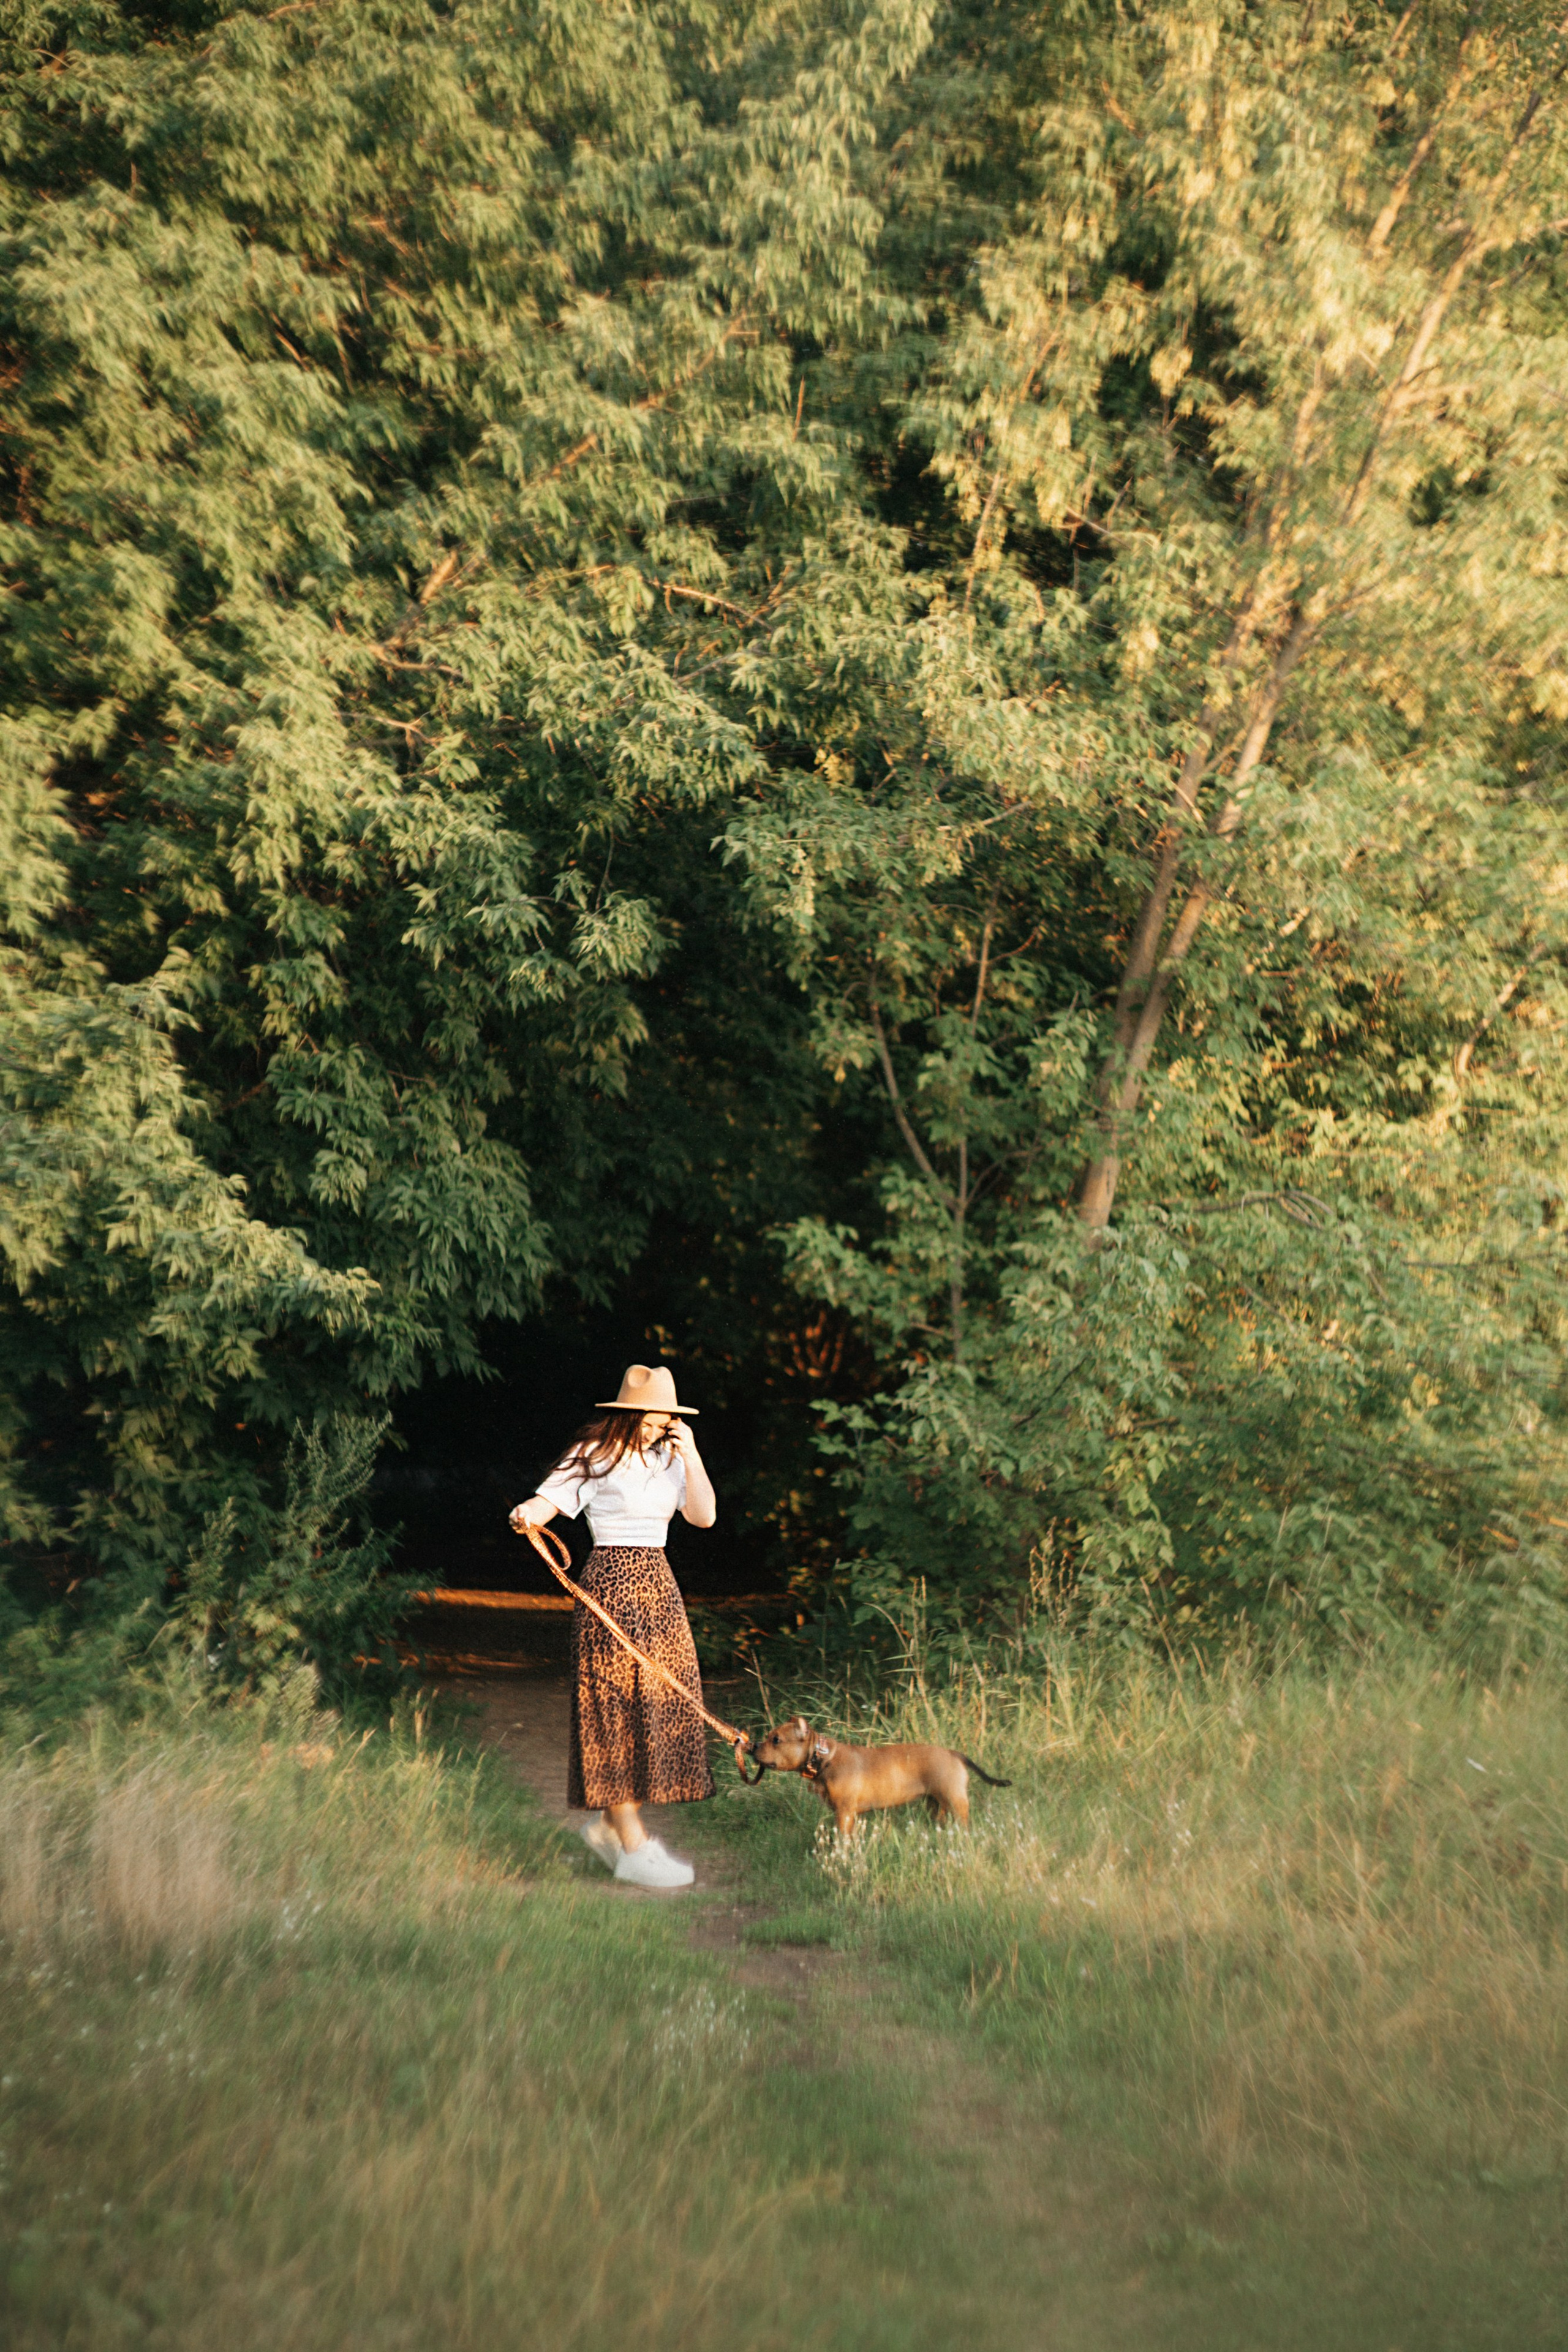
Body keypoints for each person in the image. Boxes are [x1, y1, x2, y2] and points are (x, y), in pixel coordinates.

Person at [508, 1363, 717, 1891]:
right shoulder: (594, 1456)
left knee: (664, 1702)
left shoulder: (672, 1458)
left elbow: (704, 1517)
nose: (655, 1429)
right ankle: (632, 1846)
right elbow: (548, 1502)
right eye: (647, 1421)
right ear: (626, 1415)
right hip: (610, 1585)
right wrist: (526, 1513)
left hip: (660, 1588)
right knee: (614, 1710)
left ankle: (609, 1826)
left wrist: (690, 1453)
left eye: (664, 1421)